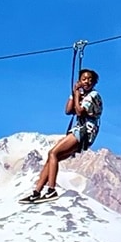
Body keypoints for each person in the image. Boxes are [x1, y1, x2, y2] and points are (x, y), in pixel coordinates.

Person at [20, 68, 103, 203]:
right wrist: (74, 94)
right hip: (81, 132)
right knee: (53, 158)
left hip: (84, 131)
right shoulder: (83, 95)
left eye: (90, 79)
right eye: (84, 79)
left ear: (94, 83)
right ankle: (37, 191)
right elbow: (68, 110)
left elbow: (79, 111)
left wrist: (77, 94)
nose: (87, 81)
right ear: (80, 81)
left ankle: (51, 189)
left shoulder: (93, 95)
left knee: (53, 153)